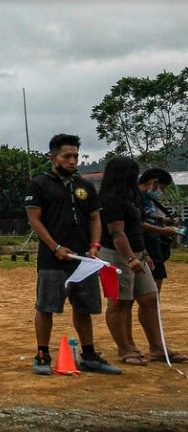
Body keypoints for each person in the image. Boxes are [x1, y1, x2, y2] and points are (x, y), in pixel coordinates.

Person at [25, 133, 119, 375]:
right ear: (53, 157)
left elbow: (95, 217)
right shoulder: (38, 184)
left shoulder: (84, 186)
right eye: (67, 156)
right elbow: (34, 220)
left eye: (76, 156)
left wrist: (95, 245)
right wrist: (55, 247)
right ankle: (43, 354)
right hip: (52, 259)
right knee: (46, 306)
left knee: (85, 307)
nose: (72, 161)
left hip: (83, 260)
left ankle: (88, 355)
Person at [99, 157, 188, 366]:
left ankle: (158, 348)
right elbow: (117, 232)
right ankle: (125, 349)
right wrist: (129, 258)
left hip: (138, 253)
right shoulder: (111, 199)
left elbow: (136, 226)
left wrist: (143, 252)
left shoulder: (132, 197)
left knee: (149, 298)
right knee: (119, 302)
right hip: (114, 255)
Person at [137, 168, 180, 294]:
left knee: (155, 286)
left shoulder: (147, 197)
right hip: (146, 242)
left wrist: (162, 219)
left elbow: (146, 216)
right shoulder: (136, 196)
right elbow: (136, 223)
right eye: (162, 188)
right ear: (154, 182)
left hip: (153, 242)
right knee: (151, 293)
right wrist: (162, 231)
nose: (162, 192)